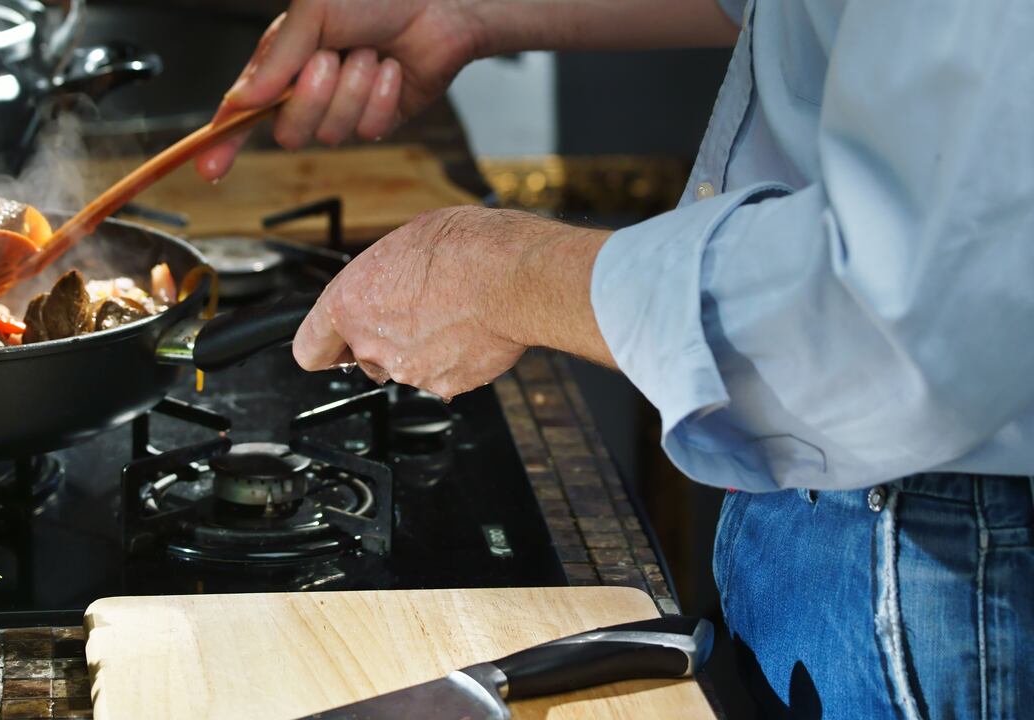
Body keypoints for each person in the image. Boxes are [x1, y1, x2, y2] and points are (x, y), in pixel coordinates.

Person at [195, 1, 1034, 717]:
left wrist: (508, 276)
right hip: (835, 503)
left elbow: (904, 310)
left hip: (945, 566)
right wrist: (461, 12)